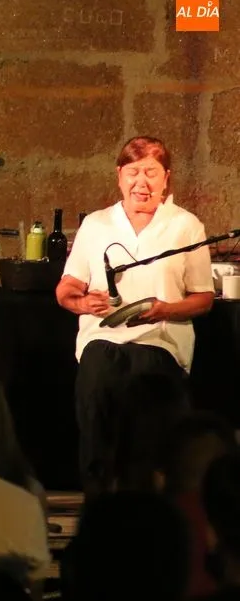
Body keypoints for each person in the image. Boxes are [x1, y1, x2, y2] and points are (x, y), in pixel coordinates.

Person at [55, 136, 214, 493]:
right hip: (103, 339)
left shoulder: (185, 225)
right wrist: (83, 303)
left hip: (159, 342)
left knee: (152, 434)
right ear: (119, 176)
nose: (141, 182)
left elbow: (203, 297)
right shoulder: (97, 224)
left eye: (151, 173)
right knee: (97, 401)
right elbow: (66, 288)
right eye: (133, 172)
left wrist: (165, 309)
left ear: (166, 178)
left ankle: (152, 505)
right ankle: (98, 503)